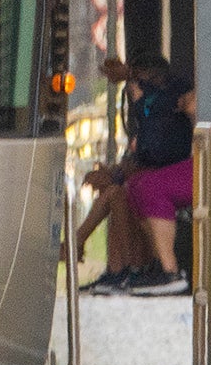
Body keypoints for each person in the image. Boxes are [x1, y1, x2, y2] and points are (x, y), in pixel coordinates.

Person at [77, 55, 195, 297]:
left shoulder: (164, 107)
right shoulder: (150, 112)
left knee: (123, 190)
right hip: (149, 172)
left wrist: (116, 176)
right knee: (119, 191)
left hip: (166, 171)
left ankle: (131, 266)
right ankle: (116, 268)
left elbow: (153, 154)